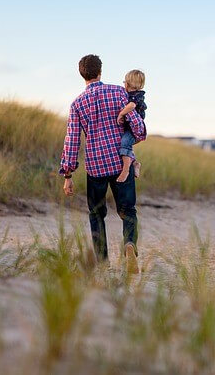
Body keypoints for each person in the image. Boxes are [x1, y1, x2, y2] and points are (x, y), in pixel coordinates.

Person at [59, 54, 146, 274]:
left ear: (82, 74)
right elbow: (138, 128)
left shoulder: (77, 104)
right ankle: (129, 245)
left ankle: (102, 262)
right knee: (128, 212)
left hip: (95, 167)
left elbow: (72, 141)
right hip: (119, 163)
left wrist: (68, 175)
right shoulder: (119, 92)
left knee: (96, 214)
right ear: (100, 71)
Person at [116, 69, 147, 183]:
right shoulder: (129, 94)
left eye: (124, 82)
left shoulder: (136, 96)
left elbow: (132, 106)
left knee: (125, 142)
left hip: (134, 129)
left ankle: (126, 170)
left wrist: (121, 114)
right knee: (125, 145)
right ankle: (135, 163)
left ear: (127, 83)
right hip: (129, 127)